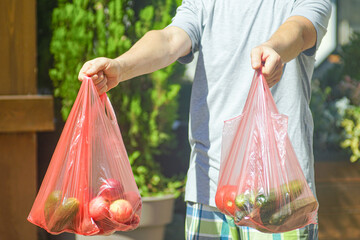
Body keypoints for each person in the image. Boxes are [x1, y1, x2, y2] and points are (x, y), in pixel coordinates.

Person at [78, 0, 331, 239]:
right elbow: (169, 39)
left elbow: (299, 30)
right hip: (208, 186)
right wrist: (121, 66)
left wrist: (275, 48)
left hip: (280, 195)